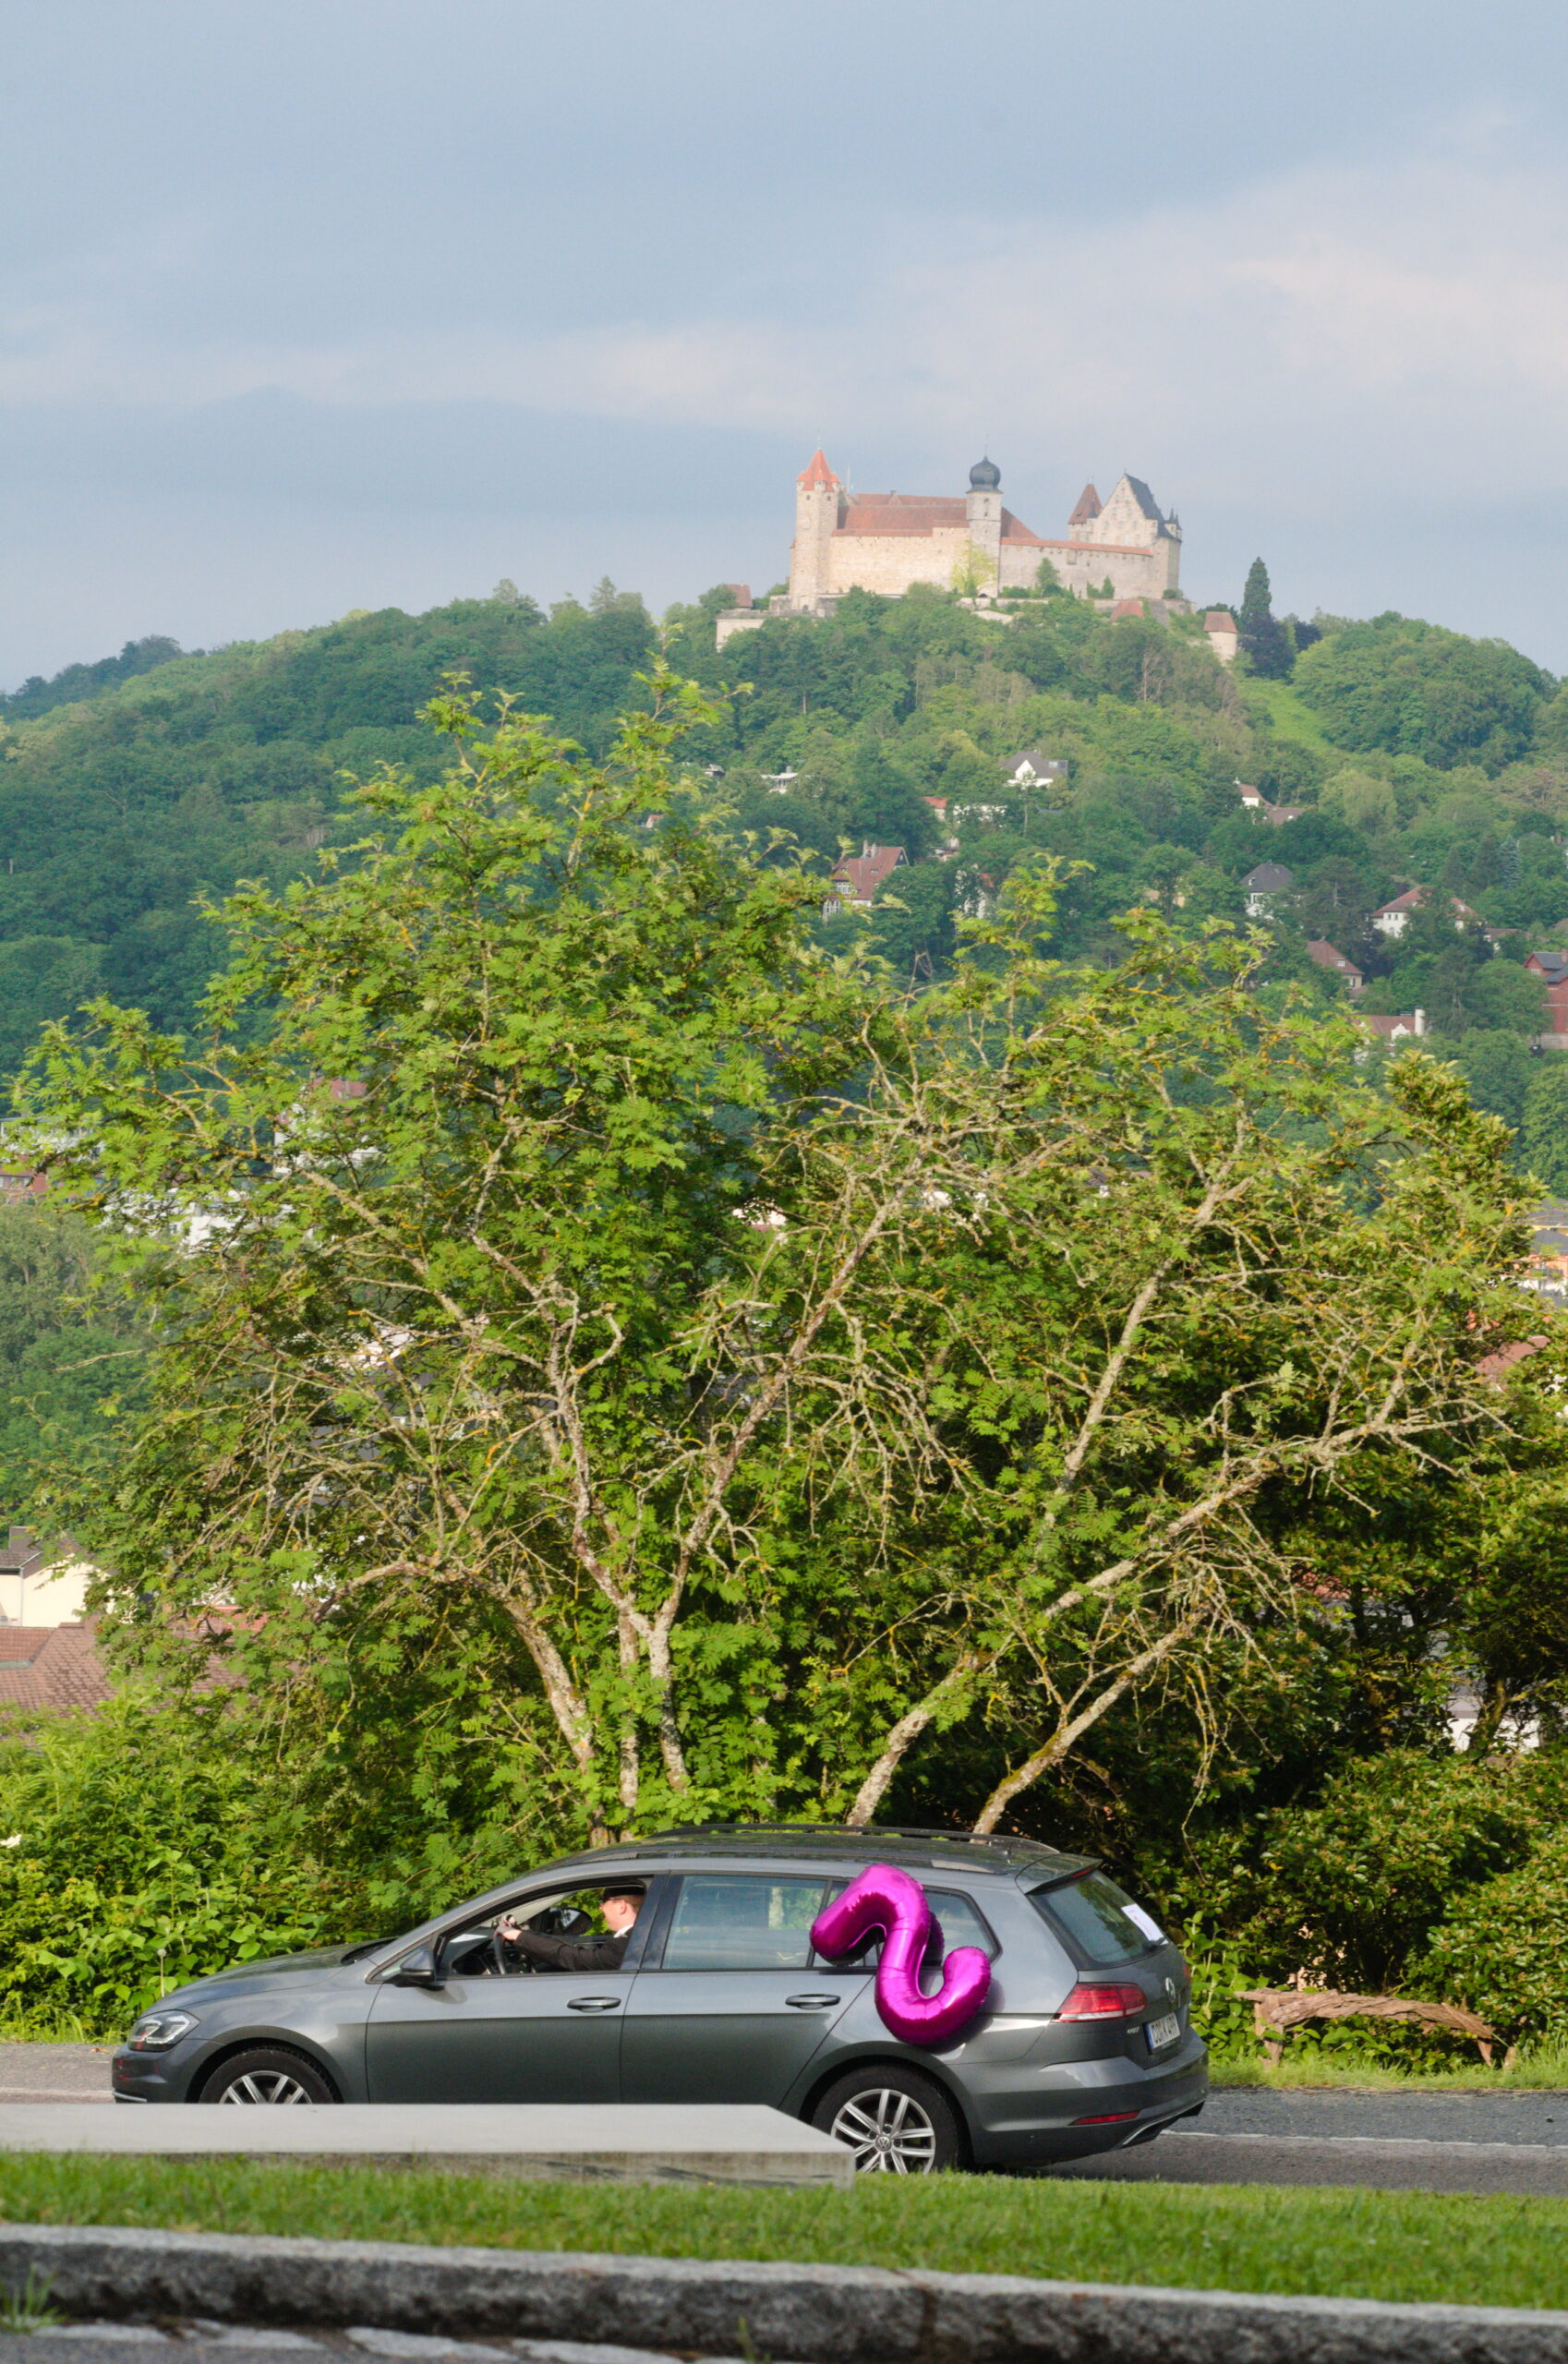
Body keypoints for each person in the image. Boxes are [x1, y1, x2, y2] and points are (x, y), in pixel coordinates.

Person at [493, 1883, 644, 1972]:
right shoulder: (642, 1936)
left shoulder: (629, 1944)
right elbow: (571, 1949)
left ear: (621, 1906)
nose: (600, 1907)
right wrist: (526, 1935)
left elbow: (574, 1958)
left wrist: (518, 1937)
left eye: (604, 1901)